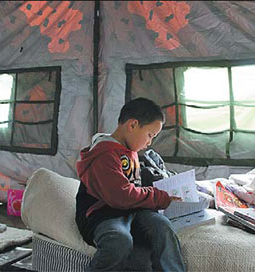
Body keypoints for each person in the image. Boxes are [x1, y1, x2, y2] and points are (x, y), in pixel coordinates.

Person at [75, 97, 185, 271]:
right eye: (150, 135)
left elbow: (133, 190)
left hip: (130, 211)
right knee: (119, 240)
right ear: (132, 125)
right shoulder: (104, 155)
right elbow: (121, 195)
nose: (149, 143)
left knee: (162, 226)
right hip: (102, 214)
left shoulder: (129, 150)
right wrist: (160, 197)